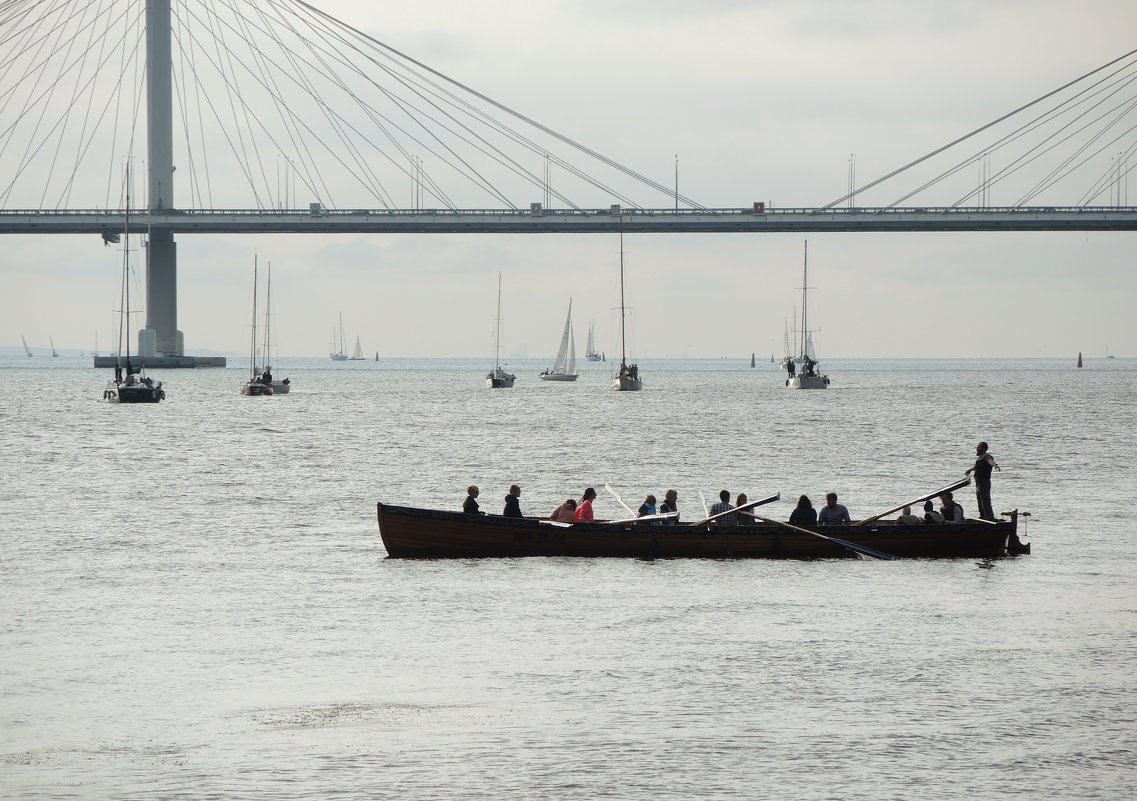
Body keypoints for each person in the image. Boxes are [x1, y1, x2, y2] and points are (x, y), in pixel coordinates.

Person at [965, 441, 1001, 521]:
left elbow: (990, 461)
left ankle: (989, 518)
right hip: (978, 483)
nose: (977, 449)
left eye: (978, 447)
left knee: (985, 501)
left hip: (984, 483)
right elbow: (976, 466)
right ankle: (983, 517)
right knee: (980, 502)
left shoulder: (986, 456)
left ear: (983, 448)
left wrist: (995, 465)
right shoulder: (980, 458)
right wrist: (970, 470)